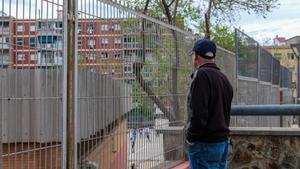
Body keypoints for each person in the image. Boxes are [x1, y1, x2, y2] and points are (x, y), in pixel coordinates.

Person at [186, 39, 233, 169]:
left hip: (204, 144)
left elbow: (198, 112)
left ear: (196, 56)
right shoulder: (223, 78)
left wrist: (191, 137)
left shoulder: (201, 75)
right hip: (222, 143)